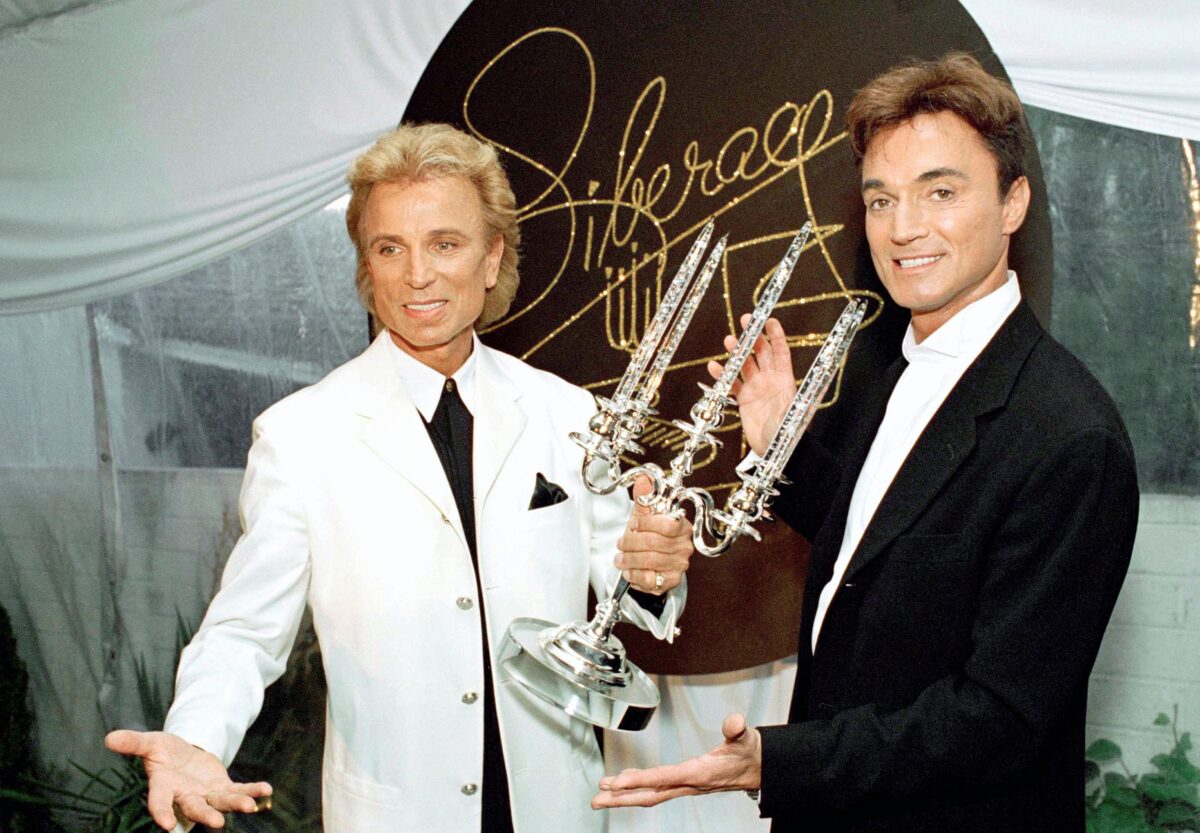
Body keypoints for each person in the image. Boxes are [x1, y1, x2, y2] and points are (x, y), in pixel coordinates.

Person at [593, 52, 1140, 832]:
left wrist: (780, 761)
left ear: (1014, 202)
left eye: (941, 192)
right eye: (881, 200)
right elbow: (888, 552)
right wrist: (776, 444)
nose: (904, 227)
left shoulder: (1071, 436)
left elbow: (997, 718)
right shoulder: (895, 372)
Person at [105, 122, 695, 833]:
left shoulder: (568, 412)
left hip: (560, 813)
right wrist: (197, 738)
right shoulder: (301, 437)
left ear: (490, 257)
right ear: (366, 268)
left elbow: (633, 589)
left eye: (445, 243)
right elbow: (244, 629)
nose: (418, 274)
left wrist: (657, 568)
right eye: (391, 248)